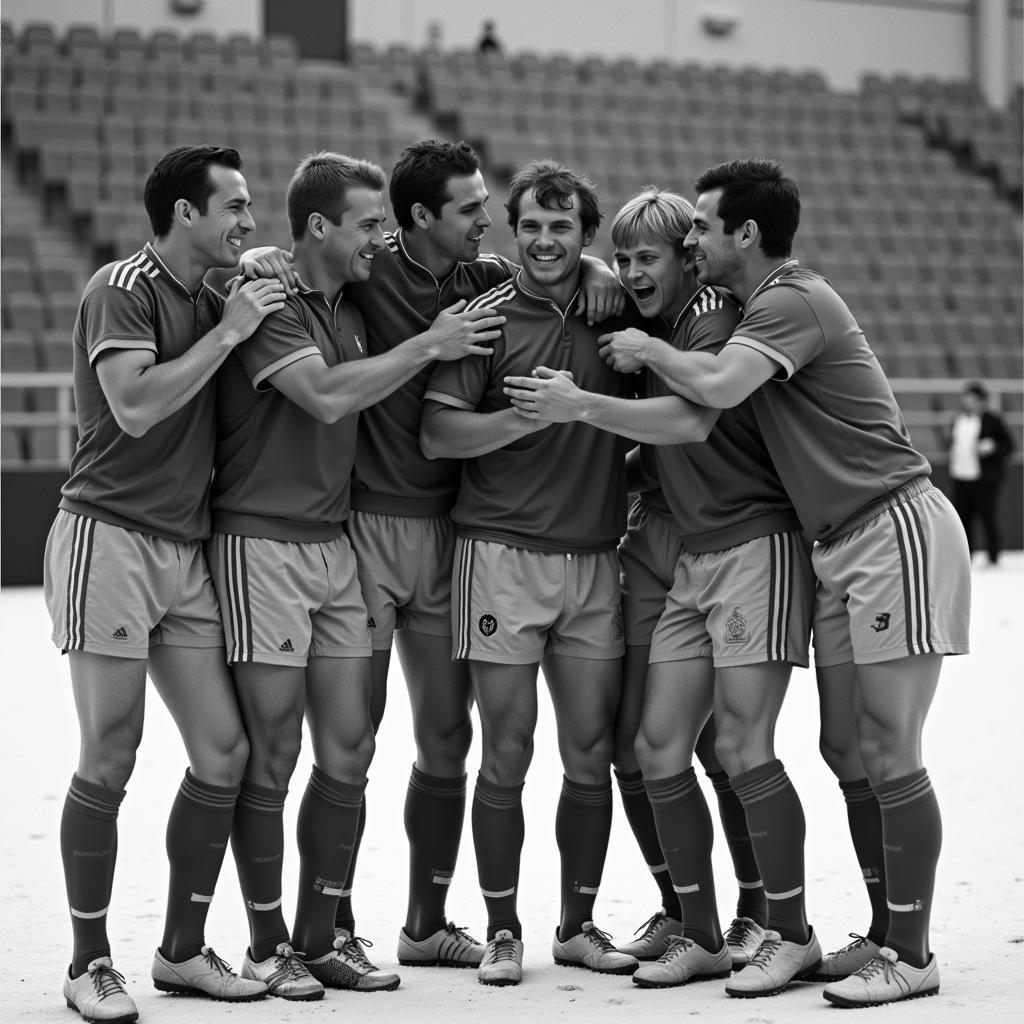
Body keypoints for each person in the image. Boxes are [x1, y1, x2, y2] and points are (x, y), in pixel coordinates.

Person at [240, 139, 622, 969]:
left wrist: (596, 272)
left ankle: (424, 921)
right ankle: (328, 927)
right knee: (352, 738)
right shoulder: (369, 271)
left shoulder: (485, 279)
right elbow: (300, 256)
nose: (486, 222)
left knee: (448, 735)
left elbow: (559, 267)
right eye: (470, 209)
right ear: (418, 219)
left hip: (452, 532)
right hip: (368, 528)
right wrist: (267, 254)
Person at [599, 158, 971, 1008]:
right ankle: (876, 934)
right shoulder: (757, 305)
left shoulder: (789, 300)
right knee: (846, 749)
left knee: (886, 747)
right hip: (836, 541)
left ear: (746, 234)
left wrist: (643, 349)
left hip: (891, 523)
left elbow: (716, 391)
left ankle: (908, 950)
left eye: (702, 225)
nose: (692, 240)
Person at [504, 185, 818, 994]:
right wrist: (606, 268)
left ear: (690, 256)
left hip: (739, 539)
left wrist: (582, 407)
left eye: (654, 257)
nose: (637, 271)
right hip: (671, 543)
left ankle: (772, 919)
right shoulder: (643, 311)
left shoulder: (708, 310)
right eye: (630, 257)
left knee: (734, 747)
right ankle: (696, 920)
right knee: (645, 747)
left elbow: (692, 419)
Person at [206, 151, 505, 998]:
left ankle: (387, 926)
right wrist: (431, 344)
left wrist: (593, 270)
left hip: (402, 537)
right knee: (300, 746)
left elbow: (550, 267)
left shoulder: (432, 284)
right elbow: (328, 389)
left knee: (402, 741)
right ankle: (291, 937)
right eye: (367, 224)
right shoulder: (304, 289)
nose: (378, 237)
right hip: (316, 535)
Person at [43, 145, 287, 1022]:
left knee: (223, 752)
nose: (248, 222)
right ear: (185, 212)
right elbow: (136, 407)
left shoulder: (219, 292)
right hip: (105, 538)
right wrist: (228, 335)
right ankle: (88, 962)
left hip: (184, 550)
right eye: (234, 207)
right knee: (111, 752)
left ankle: (181, 952)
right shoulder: (123, 284)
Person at [420, 159, 677, 988]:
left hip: (596, 561)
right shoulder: (487, 318)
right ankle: (501, 930)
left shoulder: (614, 318)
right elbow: (439, 436)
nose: (542, 240)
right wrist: (520, 420)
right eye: (529, 224)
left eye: (561, 227)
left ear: (585, 236)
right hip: (499, 557)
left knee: (590, 752)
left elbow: (661, 418)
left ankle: (577, 925)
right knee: (506, 750)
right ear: (513, 228)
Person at [946, 380, 1013, 567]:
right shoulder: (957, 420)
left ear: (982, 401)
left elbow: (1009, 445)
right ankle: (966, 557)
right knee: (963, 520)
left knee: (988, 518)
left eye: (972, 399)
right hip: (961, 478)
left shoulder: (993, 420)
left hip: (983, 480)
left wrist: (991, 446)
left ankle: (993, 557)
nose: (967, 402)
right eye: (965, 398)